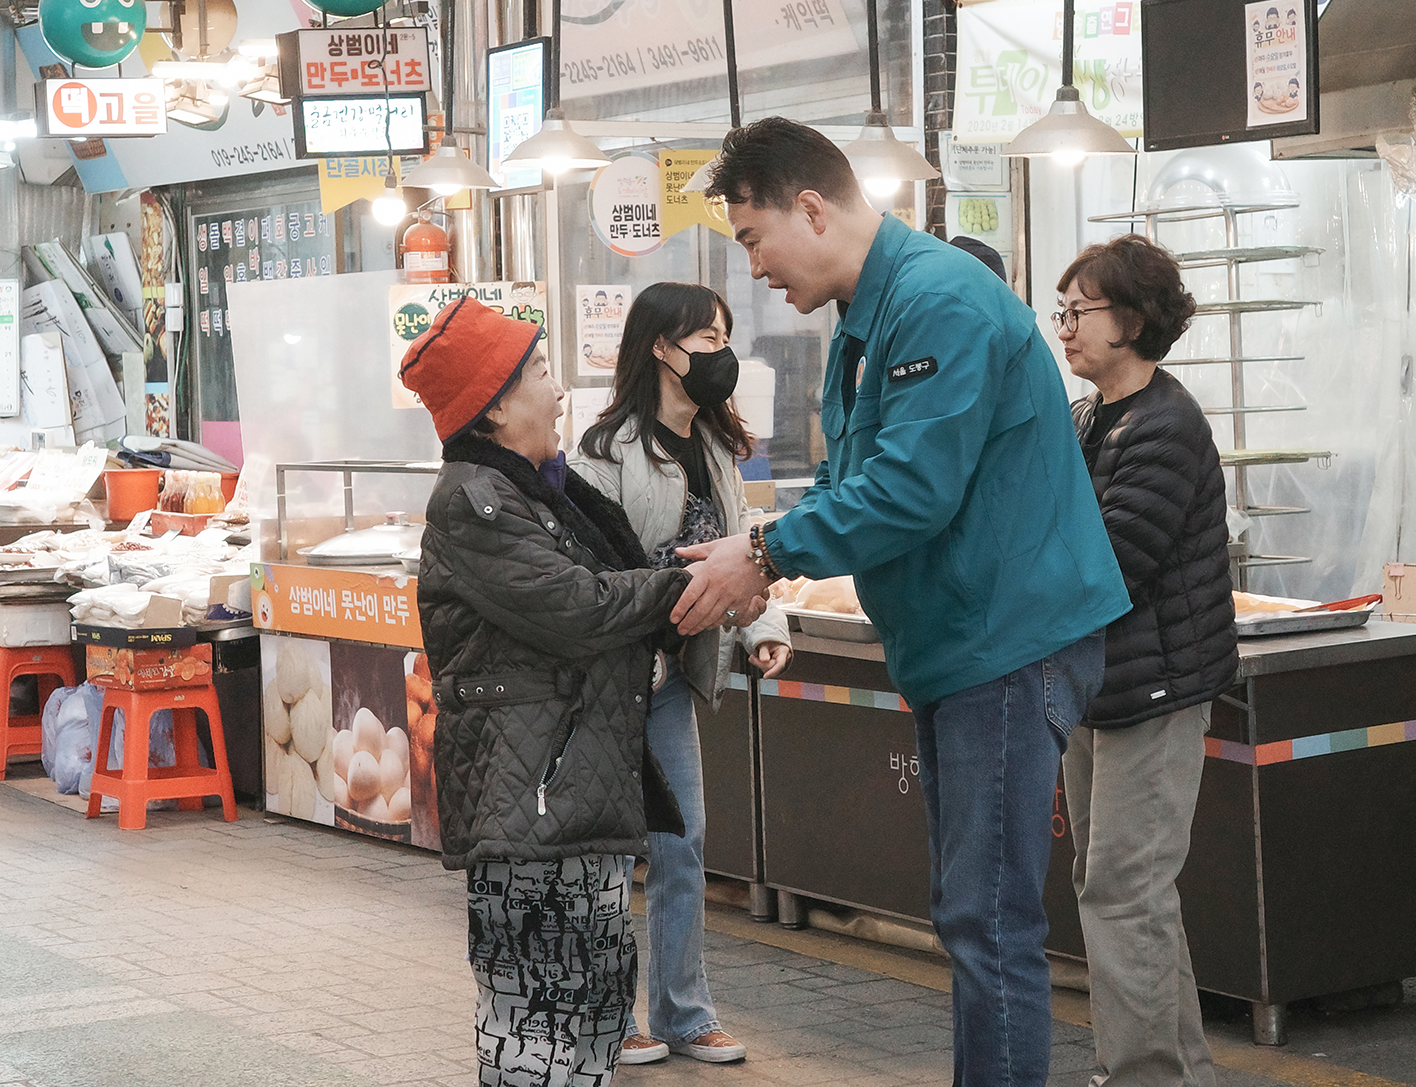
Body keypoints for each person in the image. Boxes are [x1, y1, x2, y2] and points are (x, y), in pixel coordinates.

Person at [670, 117, 1129, 1087]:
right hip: (961, 645)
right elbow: (856, 479)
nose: (750, 268)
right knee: (968, 911)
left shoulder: (935, 304)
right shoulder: (868, 321)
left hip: (1005, 643)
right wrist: (762, 549)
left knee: (989, 920)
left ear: (810, 208)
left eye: (751, 238)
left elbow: (912, 490)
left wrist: (760, 550)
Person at [402, 296, 757, 1086]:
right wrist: (692, 585)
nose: (560, 390)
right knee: (537, 1024)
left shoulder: (540, 490)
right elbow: (580, 607)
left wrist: (703, 592)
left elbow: (606, 585)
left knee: (589, 1013)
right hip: (532, 802)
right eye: (539, 371)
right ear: (493, 406)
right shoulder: (476, 500)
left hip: (570, 798)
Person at [572, 282, 793, 1066]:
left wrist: (763, 624)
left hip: (672, 679)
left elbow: (744, 546)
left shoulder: (719, 445)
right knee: (605, 849)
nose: (720, 352)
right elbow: (592, 573)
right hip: (608, 678)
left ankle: (684, 1011)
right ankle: (609, 1014)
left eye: (725, 335)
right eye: (706, 337)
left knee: (682, 840)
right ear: (660, 348)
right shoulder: (602, 452)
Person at [1055, 236, 1235, 1087]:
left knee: (1124, 893)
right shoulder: (1096, 416)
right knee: (1126, 892)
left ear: (1130, 319)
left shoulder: (1163, 424)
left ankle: (1140, 1076)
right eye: (1062, 311)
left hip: (1154, 695)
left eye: (1077, 310)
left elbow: (1111, 563)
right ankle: (1177, 1072)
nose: (1065, 326)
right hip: (1105, 690)